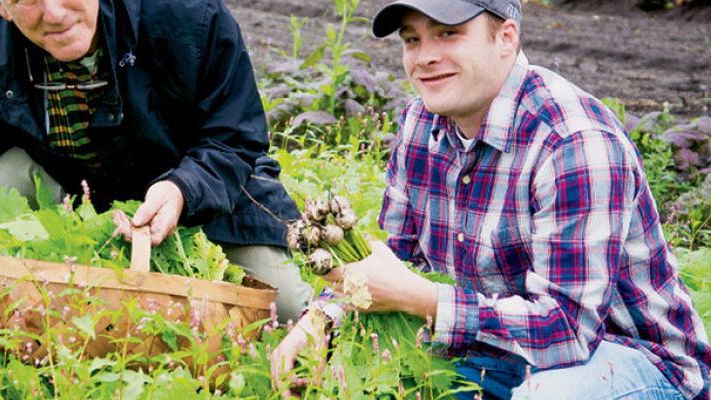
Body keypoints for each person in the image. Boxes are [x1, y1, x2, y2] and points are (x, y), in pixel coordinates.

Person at [270, 0, 711, 399]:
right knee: (366, 378)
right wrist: (323, 317)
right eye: (412, 40)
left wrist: (423, 299)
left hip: (625, 358)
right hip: (494, 349)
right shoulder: (420, 124)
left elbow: (569, 333)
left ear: (505, 37)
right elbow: (399, 258)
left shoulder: (572, 142)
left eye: (448, 33)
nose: (424, 57)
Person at [0, 0, 313, 329]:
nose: (53, 13)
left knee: (286, 311)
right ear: (1, 6)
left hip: (204, 187)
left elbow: (234, 136)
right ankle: (76, 270)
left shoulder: (187, 14)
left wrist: (183, 188)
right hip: (82, 198)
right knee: (7, 172)